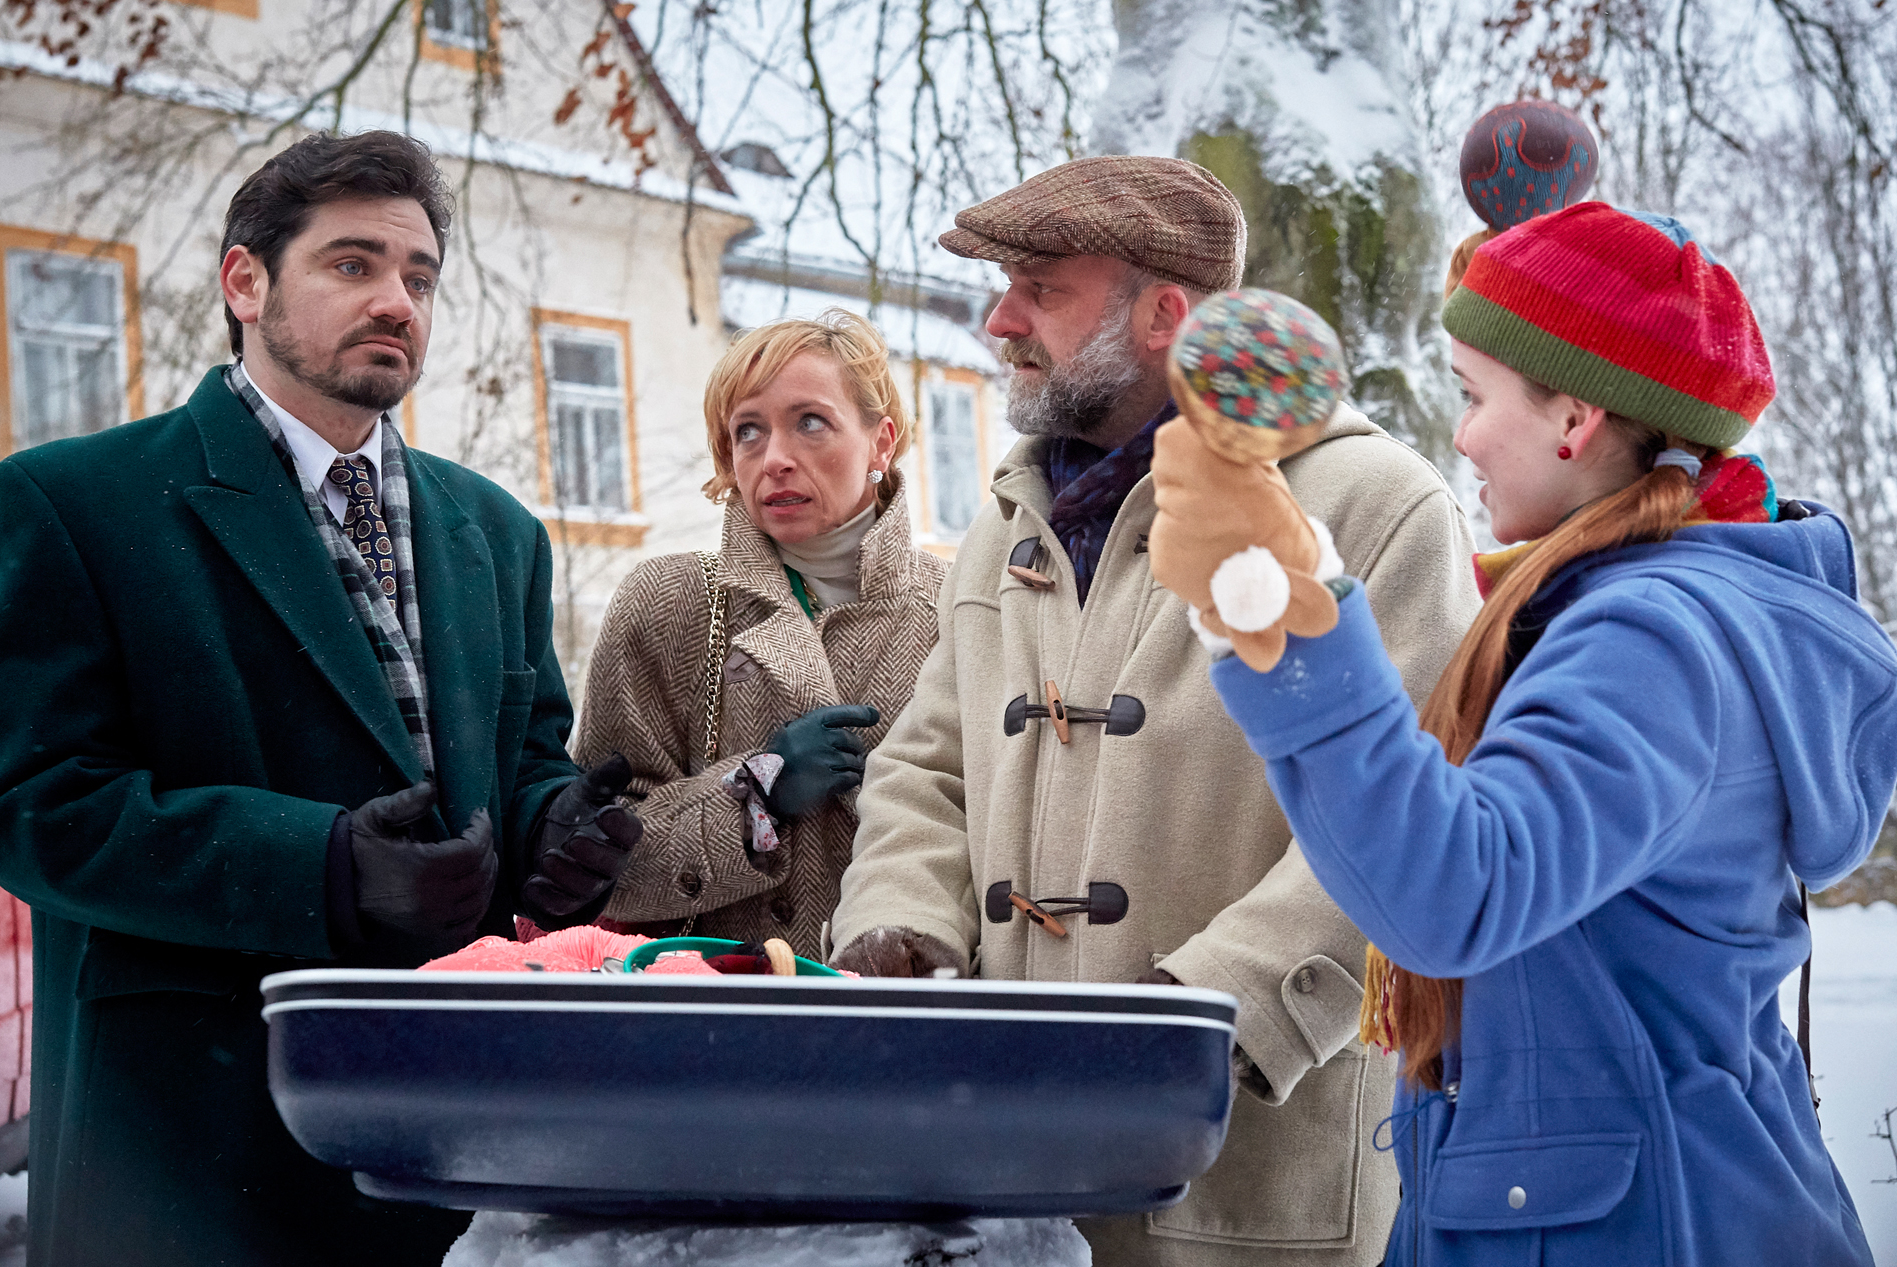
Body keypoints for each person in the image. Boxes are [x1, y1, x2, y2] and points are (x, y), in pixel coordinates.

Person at [0, 131, 639, 1266]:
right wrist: (319, 864)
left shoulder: (496, 532)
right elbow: (39, 806)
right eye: (351, 264)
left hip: (439, 1146)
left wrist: (551, 828)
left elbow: (521, 756)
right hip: (186, 1141)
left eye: (418, 277)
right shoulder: (74, 503)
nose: (396, 301)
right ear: (245, 283)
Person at [1201, 203, 1888, 1266]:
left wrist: (1287, 628)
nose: (1462, 435)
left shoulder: (1649, 643)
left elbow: (1453, 891)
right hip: (1638, 1203)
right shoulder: (1639, 610)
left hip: (1632, 1228)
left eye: (1474, 397)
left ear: (1571, 420)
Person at [829, 156, 1482, 1267]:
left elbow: (1411, 824)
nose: (999, 319)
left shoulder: (1373, 504)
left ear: (1162, 314)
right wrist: (901, 922)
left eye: (1039, 287)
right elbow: (926, 765)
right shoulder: (1005, 520)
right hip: (1003, 1167)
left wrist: (1197, 1018)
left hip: (1247, 1178)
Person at [564, 311, 946, 955]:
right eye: (749, 431)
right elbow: (593, 859)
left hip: (906, 1012)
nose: (775, 459)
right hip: (715, 1017)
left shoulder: (958, 609)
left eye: (811, 422)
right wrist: (756, 791)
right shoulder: (667, 602)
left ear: (881, 442)